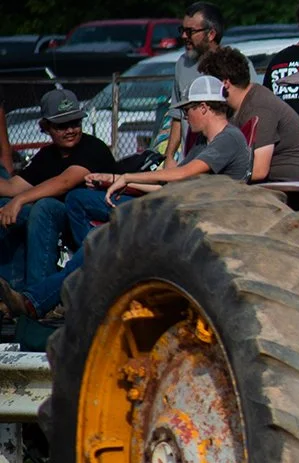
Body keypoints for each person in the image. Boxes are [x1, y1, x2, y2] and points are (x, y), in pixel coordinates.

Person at [0, 76, 252, 322]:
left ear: (204, 108)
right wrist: (121, 180)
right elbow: (169, 188)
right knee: (97, 237)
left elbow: (182, 174)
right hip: (179, 215)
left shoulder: (228, 138)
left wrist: (128, 176)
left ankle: (40, 300)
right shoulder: (202, 142)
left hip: (202, 225)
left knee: (103, 240)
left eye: (188, 110)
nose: (185, 116)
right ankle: (44, 298)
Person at [0, 90, 114, 292]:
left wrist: (19, 200)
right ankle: (11, 292)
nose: (70, 130)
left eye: (75, 123)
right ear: (45, 127)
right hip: (61, 221)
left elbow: (65, 182)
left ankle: (37, 294)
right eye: (62, 125)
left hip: (90, 222)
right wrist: (13, 203)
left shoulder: (93, 147)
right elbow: (12, 187)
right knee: (6, 209)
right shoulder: (46, 155)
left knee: (44, 207)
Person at [198, 47, 299, 182]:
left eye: (208, 84)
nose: (204, 91)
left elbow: (259, 171)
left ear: (225, 83)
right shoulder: (232, 108)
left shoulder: (261, 107)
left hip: (282, 190)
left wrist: (211, 182)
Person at [164, 1, 225, 168]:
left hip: (220, 161)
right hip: (189, 161)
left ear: (211, 34)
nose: (184, 36)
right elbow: (177, 115)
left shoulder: (233, 65)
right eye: (182, 30)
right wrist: (169, 156)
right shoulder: (182, 65)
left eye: (190, 32)